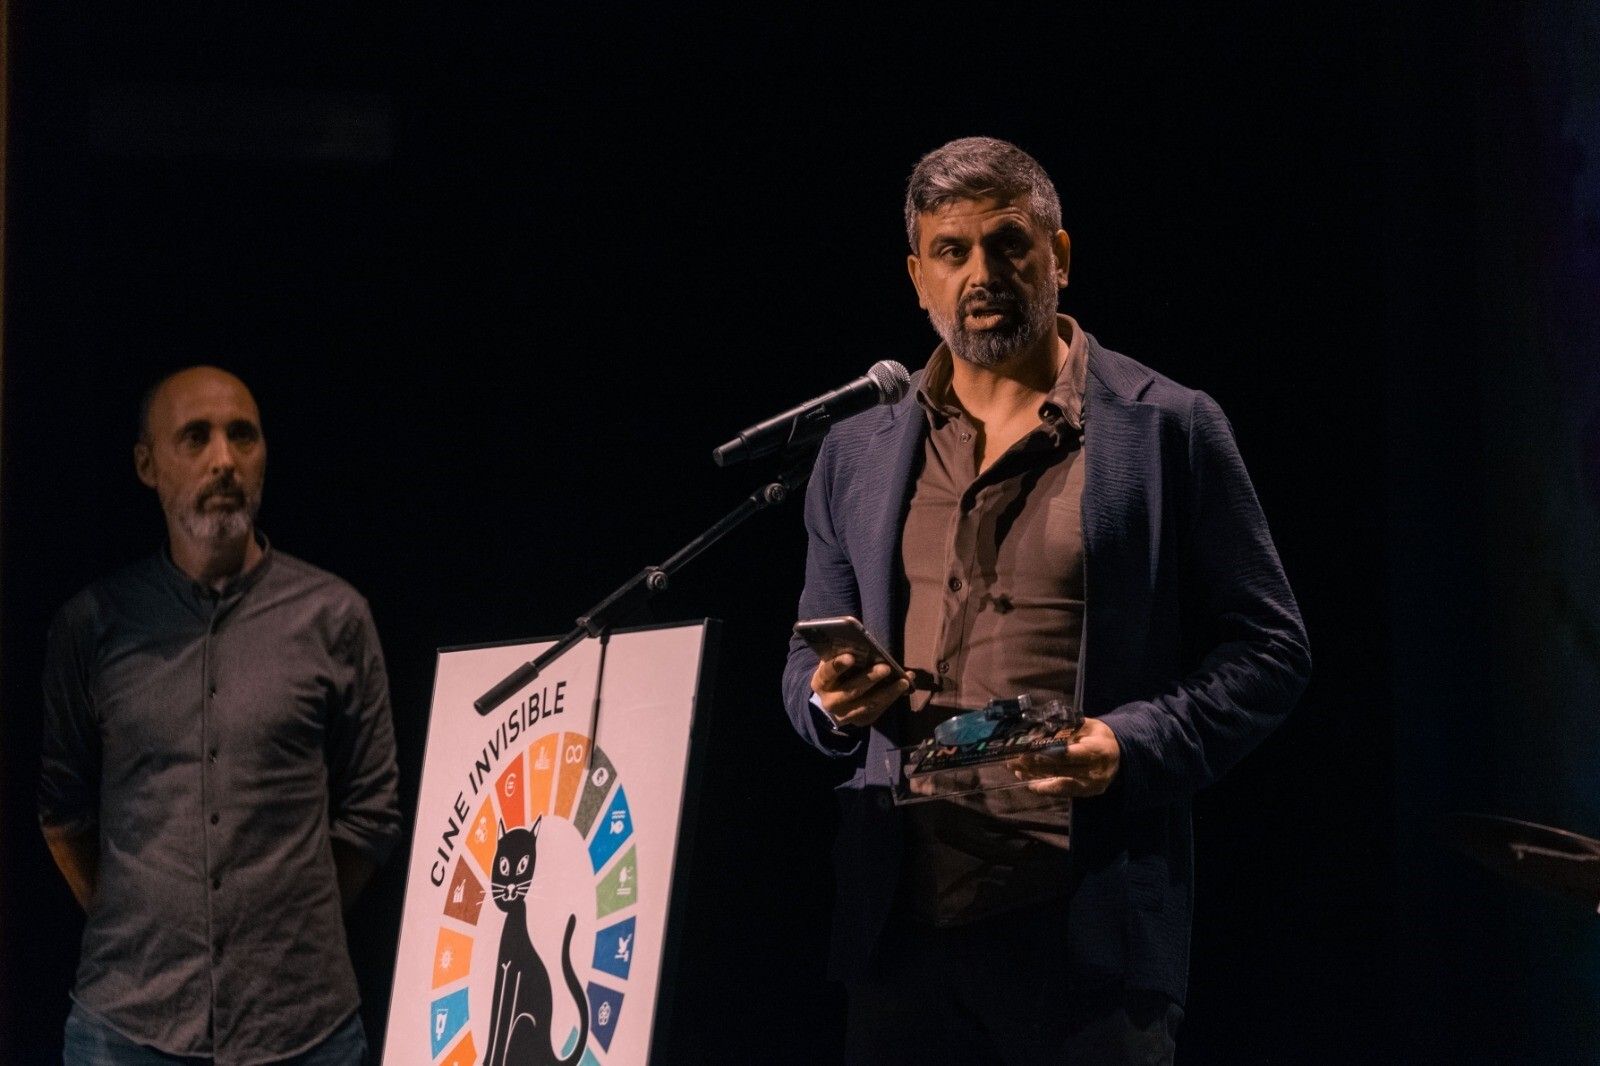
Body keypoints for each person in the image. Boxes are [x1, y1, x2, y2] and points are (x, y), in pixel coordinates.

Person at [781, 137, 1311, 1064]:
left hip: (1086, 939)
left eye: (1009, 244)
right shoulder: (855, 452)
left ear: (1057, 257)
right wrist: (829, 699)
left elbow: (1271, 650)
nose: (981, 272)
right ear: (918, 277)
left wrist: (1134, 743)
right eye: (952, 251)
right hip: (901, 934)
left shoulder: (1166, 427)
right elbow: (801, 665)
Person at [38, 367, 402, 1065]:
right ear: (148, 465)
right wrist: (144, 924)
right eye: (195, 438)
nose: (224, 459)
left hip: (305, 1031)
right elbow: (62, 812)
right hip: (125, 1030)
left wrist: (283, 929)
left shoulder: (335, 617)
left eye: (243, 435)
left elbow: (372, 812)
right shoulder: (91, 625)